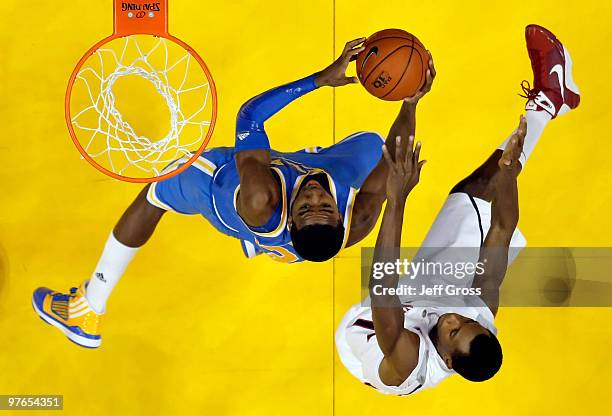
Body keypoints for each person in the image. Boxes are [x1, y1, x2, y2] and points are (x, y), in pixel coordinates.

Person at [32, 38, 436, 348]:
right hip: (293, 202)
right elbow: (395, 155)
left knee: (153, 197)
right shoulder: (358, 220)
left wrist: (319, 79)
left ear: (293, 218)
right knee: (375, 148)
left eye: (308, 205)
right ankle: (272, 239)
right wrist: (411, 99)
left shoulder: (257, 195)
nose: (314, 195)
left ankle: (88, 307)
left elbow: (249, 114)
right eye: (324, 204)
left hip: (221, 187)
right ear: (338, 213)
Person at [335, 24, 580, 395]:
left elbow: (383, 282)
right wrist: (509, 174)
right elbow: (500, 230)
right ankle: (549, 100)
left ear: (447, 358)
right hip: (428, 294)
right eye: (464, 322)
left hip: (370, 327)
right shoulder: (475, 311)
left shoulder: (409, 360)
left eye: (452, 331)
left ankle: (549, 103)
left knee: (389, 214)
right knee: (477, 191)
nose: (453, 319)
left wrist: (397, 197)